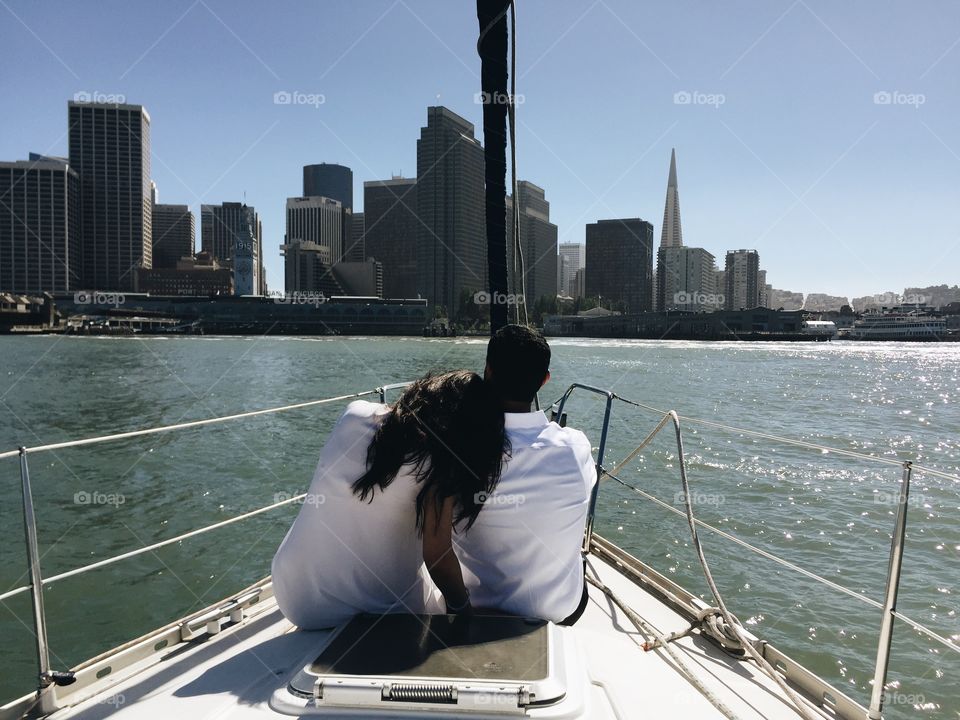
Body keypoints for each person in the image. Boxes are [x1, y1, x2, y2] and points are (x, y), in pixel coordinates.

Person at [272, 370, 507, 629]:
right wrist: (463, 609)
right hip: (381, 614)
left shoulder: (353, 413)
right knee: (440, 594)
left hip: (295, 600)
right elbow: (437, 557)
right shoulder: (441, 465)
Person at [453, 325, 596, 625]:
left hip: (473, 607)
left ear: (487, 371)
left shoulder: (456, 445)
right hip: (558, 611)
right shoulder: (576, 446)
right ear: (544, 381)